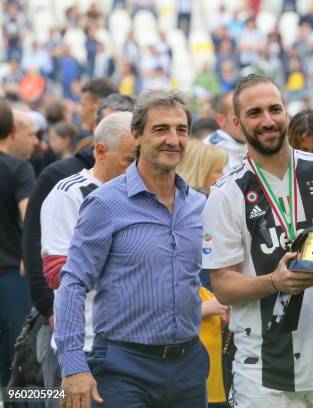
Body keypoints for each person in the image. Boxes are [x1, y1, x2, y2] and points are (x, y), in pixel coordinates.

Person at [202, 74, 313, 407]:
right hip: (265, 374)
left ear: (286, 113)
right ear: (237, 123)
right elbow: (222, 285)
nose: (267, 121)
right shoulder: (226, 194)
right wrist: (274, 281)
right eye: (254, 113)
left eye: (274, 109)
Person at [54, 89, 208, 407]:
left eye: (181, 130)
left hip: (188, 365)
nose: (173, 139)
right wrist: (73, 366)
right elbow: (72, 283)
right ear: (136, 136)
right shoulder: (105, 203)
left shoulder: (199, 205)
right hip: (123, 367)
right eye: (161, 129)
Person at [23, 93, 136, 397]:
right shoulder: (69, 192)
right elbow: (55, 270)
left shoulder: (143, 191)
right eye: (129, 160)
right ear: (100, 151)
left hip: (135, 341)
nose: (136, 167)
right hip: (85, 340)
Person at [176, 139, 230, 407]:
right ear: (200, 170)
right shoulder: (192, 212)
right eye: (218, 170)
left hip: (216, 322)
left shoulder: (211, 207)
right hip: (196, 329)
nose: (223, 176)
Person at [0, 100, 36, 390]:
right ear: (12, 130)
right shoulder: (18, 169)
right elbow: (29, 218)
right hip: (11, 276)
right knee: (17, 362)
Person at [204, 91, 247, 173]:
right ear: (221, 120)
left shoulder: (255, 145)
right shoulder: (209, 153)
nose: (245, 120)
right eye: (238, 115)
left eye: (250, 113)